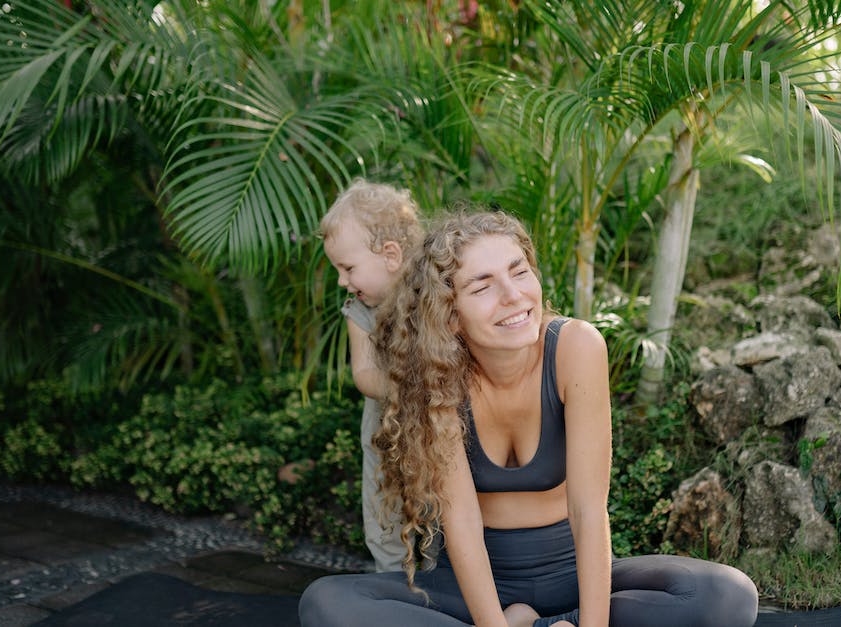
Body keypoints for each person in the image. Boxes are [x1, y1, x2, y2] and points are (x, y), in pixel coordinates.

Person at [299, 211, 758, 626]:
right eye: (482, 287)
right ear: (450, 315)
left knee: (727, 596)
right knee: (326, 602)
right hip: (474, 587)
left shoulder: (575, 348)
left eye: (519, 272)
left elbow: (588, 511)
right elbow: (463, 525)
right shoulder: (439, 376)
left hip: (571, 575)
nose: (513, 295)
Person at [310, 179, 424, 573]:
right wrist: (417, 387)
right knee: (385, 520)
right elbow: (364, 373)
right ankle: (392, 590)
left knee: (444, 517)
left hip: (439, 436)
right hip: (384, 440)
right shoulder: (360, 312)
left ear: (391, 255)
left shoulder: (436, 299)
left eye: (348, 268)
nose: (342, 281)